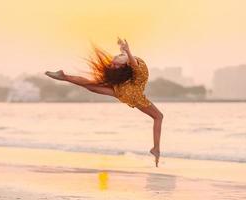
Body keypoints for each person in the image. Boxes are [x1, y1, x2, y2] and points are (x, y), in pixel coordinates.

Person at [45, 38, 163, 167]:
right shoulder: (132, 65)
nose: (113, 66)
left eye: (116, 64)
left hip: (124, 90)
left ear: (125, 63)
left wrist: (126, 50)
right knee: (159, 117)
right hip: (133, 94)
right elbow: (131, 62)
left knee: (92, 86)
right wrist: (125, 49)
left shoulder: (132, 64)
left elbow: (131, 62)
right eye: (114, 64)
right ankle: (156, 148)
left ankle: (64, 76)